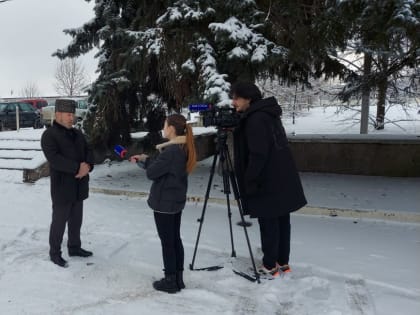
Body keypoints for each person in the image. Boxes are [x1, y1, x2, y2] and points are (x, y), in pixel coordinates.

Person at [230, 82, 307, 278]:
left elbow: (258, 154)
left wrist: (249, 180)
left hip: (267, 181)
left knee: (269, 223)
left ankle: (269, 266)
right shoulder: (268, 114)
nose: (233, 102)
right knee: (282, 221)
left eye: (236, 98)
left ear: (248, 98)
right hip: (281, 178)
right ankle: (282, 262)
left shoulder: (255, 120)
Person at [129, 114, 196, 293]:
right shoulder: (180, 147)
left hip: (165, 203)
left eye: (165, 125)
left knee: (168, 242)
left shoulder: (172, 151)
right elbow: (162, 166)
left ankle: (170, 281)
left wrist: (143, 164)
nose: (163, 128)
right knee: (175, 239)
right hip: (174, 201)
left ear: (172, 129)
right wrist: (145, 159)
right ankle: (178, 278)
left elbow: (153, 173)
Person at [41, 99, 94, 268]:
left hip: (79, 185)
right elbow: (55, 159)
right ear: (58, 115)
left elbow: (89, 151)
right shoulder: (49, 135)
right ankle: (55, 253)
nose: (72, 118)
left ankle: (74, 247)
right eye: (69, 115)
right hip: (62, 186)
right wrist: (77, 168)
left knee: (76, 220)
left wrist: (88, 166)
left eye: (73, 114)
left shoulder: (78, 133)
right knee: (59, 221)